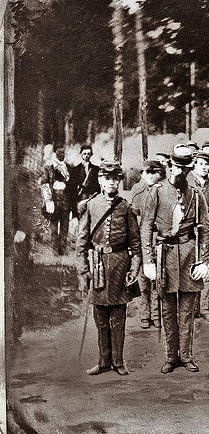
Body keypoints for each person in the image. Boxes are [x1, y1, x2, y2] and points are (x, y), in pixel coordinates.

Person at [141, 145, 209, 374]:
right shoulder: (157, 191)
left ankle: (187, 356)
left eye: (185, 168)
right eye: (177, 167)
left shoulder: (196, 194)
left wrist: (204, 261)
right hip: (164, 255)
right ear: (169, 167)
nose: (181, 172)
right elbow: (146, 227)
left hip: (189, 253)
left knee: (187, 310)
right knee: (168, 309)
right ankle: (171, 357)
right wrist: (148, 260)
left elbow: (205, 229)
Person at [76, 160, 141, 375]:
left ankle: (118, 362)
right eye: (107, 179)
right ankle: (103, 361)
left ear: (119, 181)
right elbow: (82, 242)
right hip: (97, 266)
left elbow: (135, 243)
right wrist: (83, 272)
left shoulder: (125, 207)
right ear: (100, 180)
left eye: (115, 179)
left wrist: (135, 268)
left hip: (121, 265)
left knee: (118, 316)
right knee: (101, 317)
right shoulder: (91, 205)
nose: (111, 183)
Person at [188, 150, 209, 324]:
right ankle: (191, 308)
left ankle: (204, 308)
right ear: (194, 164)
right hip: (189, 234)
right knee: (190, 270)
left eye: (207, 164)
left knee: (208, 271)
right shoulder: (187, 185)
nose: (204, 167)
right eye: (200, 164)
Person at [130, 160, 165, 329]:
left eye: (155, 173)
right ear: (142, 174)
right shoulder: (137, 190)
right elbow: (134, 217)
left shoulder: (163, 190)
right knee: (143, 279)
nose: (151, 176)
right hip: (142, 238)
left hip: (158, 238)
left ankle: (157, 314)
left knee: (158, 279)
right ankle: (145, 314)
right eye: (147, 173)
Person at [42, 146, 73, 255]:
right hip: (53, 201)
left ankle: (63, 249)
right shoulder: (49, 167)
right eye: (59, 152)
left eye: (63, 152)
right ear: (55, 153)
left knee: (65, 226)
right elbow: (45, 184)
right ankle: (55, 249)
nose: (61, 154)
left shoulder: (68, 167)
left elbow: (71, 185)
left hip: (65, 201)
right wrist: (48, 201)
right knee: (54, 226)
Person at [70, 144, 100, 217]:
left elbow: (98, 185)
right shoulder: (75, 170)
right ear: (81, 154)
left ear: (91, 155)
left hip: (92, 197)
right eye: (84, 154)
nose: (86, 155)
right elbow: (72, 187)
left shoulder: (96, 169)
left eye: (88, 154)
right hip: (80, 197)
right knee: (81, 217)